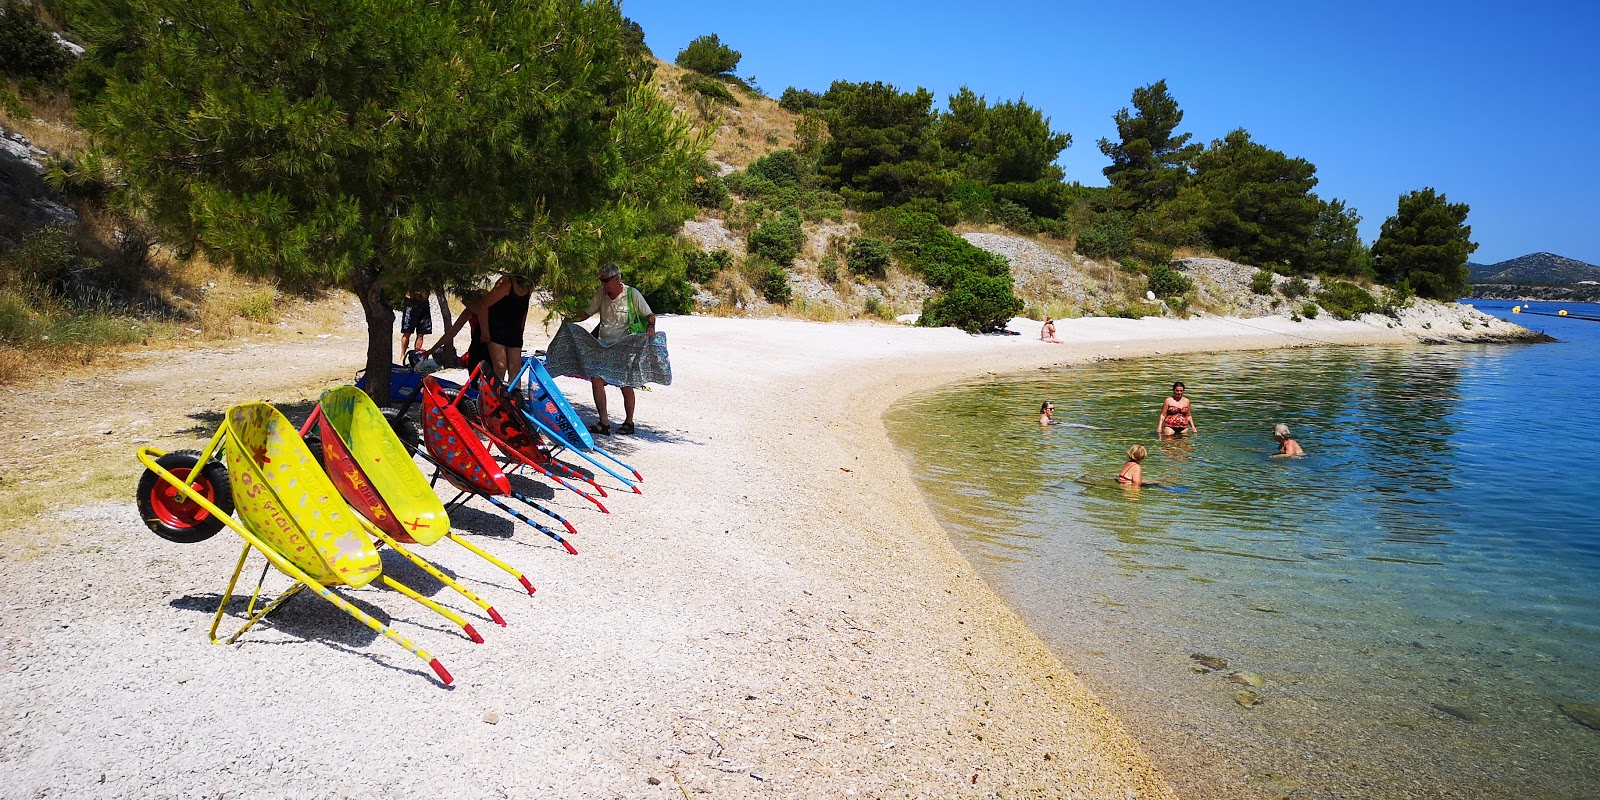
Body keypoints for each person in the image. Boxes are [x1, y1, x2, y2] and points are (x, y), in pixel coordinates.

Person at [568, 262, 656, 436]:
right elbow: (587, 312)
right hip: (604, 345)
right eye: (601, 281)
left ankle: (629, 422)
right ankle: (604, 423)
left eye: (606, 280)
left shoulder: (632, 294)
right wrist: (569, 319)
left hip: (624, 346)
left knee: (625, 384)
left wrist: (651, 327)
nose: (604, 284)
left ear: (617, 278)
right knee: (596, 379)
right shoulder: (601, 294)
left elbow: (649, 315)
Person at [478, 273, 532, 385]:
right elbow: (483, 305)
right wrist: (485, 332)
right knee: (500, 367)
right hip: (497, 329)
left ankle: (514, 399)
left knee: (516, 369)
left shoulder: (529, 285)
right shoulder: (506, 282)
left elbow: (524, 309)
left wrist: (521, 331)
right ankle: (495, 398)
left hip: (514, 330)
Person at [399, 291, 432, 355]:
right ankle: (402, 355)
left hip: (423, 302)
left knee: (421, 334)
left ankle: (416, 355)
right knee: (407, 331)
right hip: (410, 301)